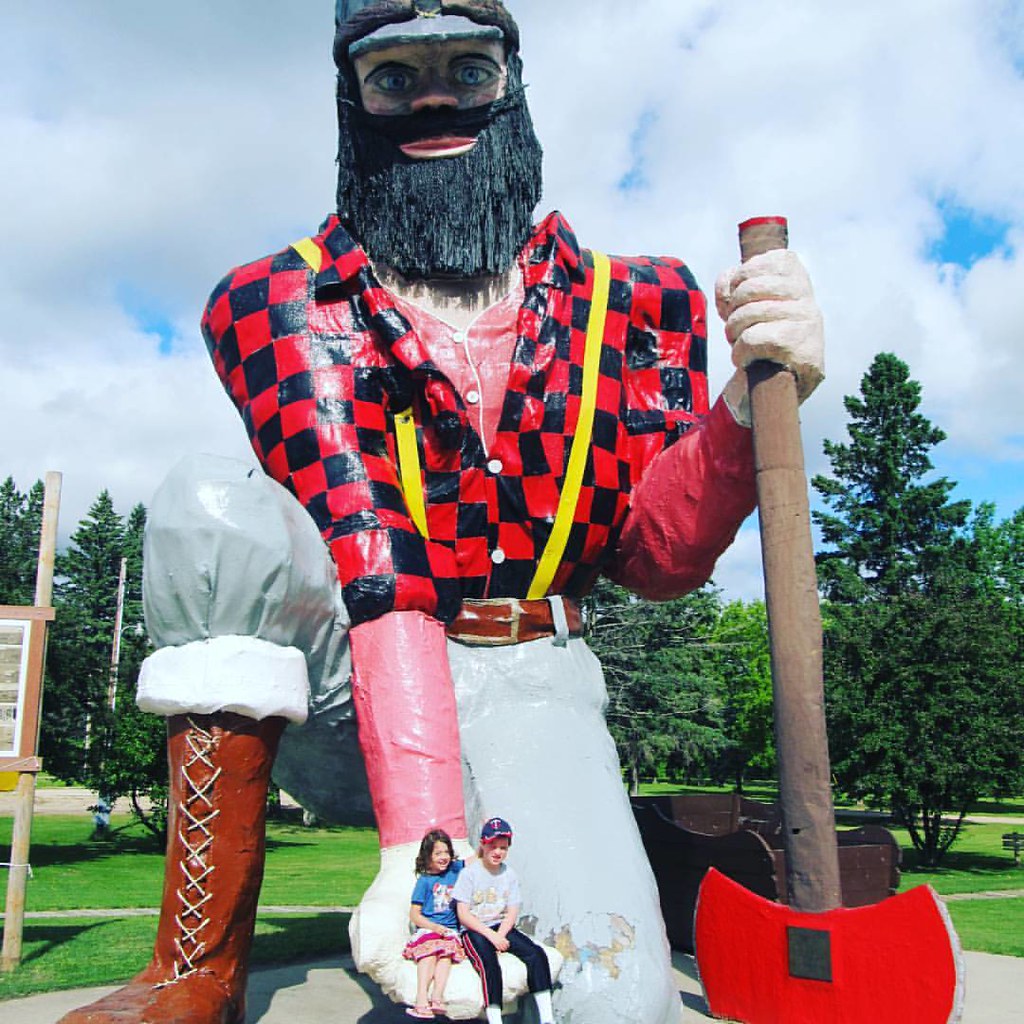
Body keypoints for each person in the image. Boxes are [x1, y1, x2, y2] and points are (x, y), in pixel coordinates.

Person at [60, 2, 825, 1023]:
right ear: (350, 95)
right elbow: (373, 550)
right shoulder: (280, 300)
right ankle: (194, 968)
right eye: (393, 75)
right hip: (345, 692)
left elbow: (659, 554)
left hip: (533, 681)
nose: (431, 99)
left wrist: (745, 406)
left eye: (466, 69)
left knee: (612, 1002)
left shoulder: (638, 306)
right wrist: (422, 866)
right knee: (212, 510)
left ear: (513, 84)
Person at [452, 818, 554, 1024]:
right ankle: (495, 1018)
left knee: (536, 954)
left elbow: (512, 910)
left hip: (500, 925)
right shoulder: (469, 874)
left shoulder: (509, 874)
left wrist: (501, 935)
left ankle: (547, 1018)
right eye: (493, 846)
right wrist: (491, 937)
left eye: (503, 848)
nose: (498, 852)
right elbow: (463, 913)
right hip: (475, 928)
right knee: (488, 962)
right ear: (482, 844)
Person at [404, 829, 469, 1018]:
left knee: (446, 955)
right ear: (428, 856)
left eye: (446, 852)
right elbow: (414, 915)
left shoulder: (455, 870)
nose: (444, 857)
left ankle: (437, 998)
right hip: (428, 929)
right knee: (430, 952)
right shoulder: (424, 881)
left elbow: (477, 858)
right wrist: (434, 928)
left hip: (449, 931)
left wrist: (486, 837)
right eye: (438, 853)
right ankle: (421, 999)